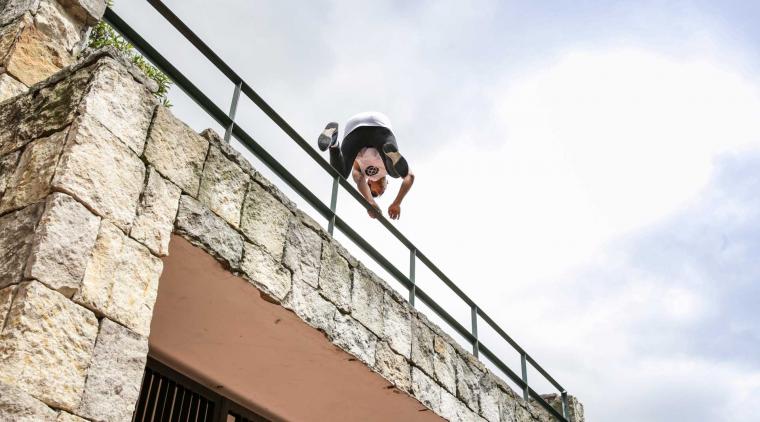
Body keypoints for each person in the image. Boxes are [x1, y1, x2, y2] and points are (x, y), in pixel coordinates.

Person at [318, 111, 414, 220]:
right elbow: (409, 177)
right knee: (396, 173)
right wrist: (397, 203)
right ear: (387, 182)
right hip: (379, 127)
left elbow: (359, 179)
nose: (380, 192)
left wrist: (370, 201)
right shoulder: (389, 170)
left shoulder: (360, 170)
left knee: (340, 174)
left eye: (374, 193)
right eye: (380, 193)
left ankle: (334, 143)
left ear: (369, 182)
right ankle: (390, 154)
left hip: (355, 129)